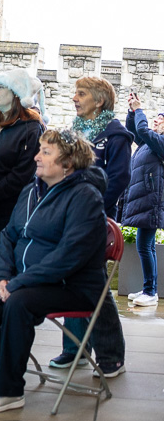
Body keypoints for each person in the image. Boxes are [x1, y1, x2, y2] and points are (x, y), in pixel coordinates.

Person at [0, 129, 109, 414]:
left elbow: (68, 256)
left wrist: (18, 283)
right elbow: (9, 236)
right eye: (39, 150)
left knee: (20, 302)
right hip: (31, 282)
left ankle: (9, 391)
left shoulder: (86, 197)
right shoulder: (31, 190)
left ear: (68, 163)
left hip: (73, 288)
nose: (36, 157)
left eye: (46, 152)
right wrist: (1, 277)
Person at [50, 76, 130, 376]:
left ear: (99, 100)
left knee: (95, 286)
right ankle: (75, 350)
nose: (75, 98)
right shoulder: (72, 133)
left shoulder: (115, 134)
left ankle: (111, 356)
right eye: (74, 93)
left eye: (81, 93)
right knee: (69, 279)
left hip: (95, 220)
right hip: (67, 218)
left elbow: (120, 178)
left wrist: (92, 208)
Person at [0, 69, 44, 283]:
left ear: (16, 93)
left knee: (2, 274)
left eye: (1, 87)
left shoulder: (31, 129)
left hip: (8, 214)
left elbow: (22, 176)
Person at [122, 93, 164, 307]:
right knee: (144, 246)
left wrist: (140, 110)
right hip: (146, 201)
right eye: (155, 117)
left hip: (152, 202)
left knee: (144, 246)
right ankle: (149, 289)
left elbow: (142, 130)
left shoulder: (161, 143)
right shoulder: (150, 143)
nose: (157, 119)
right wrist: (132, 112)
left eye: (161, 118)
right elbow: (134, 132)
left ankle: (150, 291)